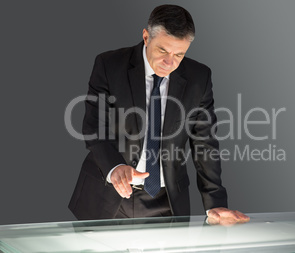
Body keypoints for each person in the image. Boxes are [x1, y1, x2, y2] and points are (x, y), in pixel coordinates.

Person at [69, 4, 249, 223]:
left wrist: (216, 203)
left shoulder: (198, 77)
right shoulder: (109, 65)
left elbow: (205, 143)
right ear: (146, 37)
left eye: (179, 54)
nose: (169, 62)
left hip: (168, 202)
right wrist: (115, 167)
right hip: (106, 196)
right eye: (163, 50)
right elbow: (95, 127)